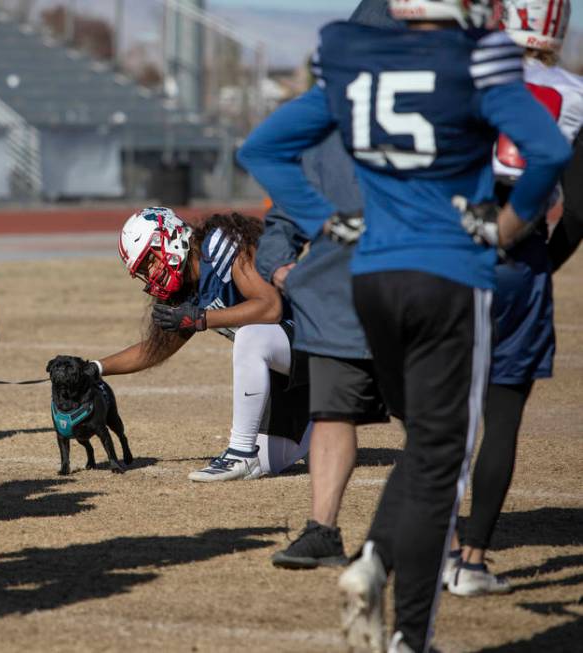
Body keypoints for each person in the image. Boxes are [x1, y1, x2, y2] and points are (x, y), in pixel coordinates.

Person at [238, 0, 570, 650]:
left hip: (372, 278)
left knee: (427, 450)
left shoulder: (351, 53)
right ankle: (406, 624)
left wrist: (327, 217)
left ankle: (376, 564)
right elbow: (549, 149)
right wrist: (506, 225)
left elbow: (262, 147)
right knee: (438, 455)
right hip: (447, 273)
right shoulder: (480, 54)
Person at [443, 0, 583, 597]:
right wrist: (538, 265)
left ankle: (441, 546)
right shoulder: (572, 94)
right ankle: (472, 561)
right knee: (503, 417)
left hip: (448, 253)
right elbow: (575, 212)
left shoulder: (460, 72)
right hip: (520, 259)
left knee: (442, 412)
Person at [253, 0, 395, 571]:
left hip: (412, 298)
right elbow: (282, 220)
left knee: (435, 422)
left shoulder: (444, 117)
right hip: (337, 305)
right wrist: (281, 266)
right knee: (333, 416)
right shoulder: (321, 128)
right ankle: (322, 531)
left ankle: (447, 539)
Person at [80, 208, 311, 481]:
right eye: (142, 271)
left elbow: (270, 308)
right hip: (292, 372)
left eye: (148, 263)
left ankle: (240, 453)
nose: (150, 274)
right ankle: (322, 426)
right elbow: (153, 351)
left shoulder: (221, 244)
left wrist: (202, 319)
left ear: (168, 239)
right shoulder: (188, 288)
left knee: (250, 338)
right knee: (269, 462)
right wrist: (95, 368)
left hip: (319, 339)